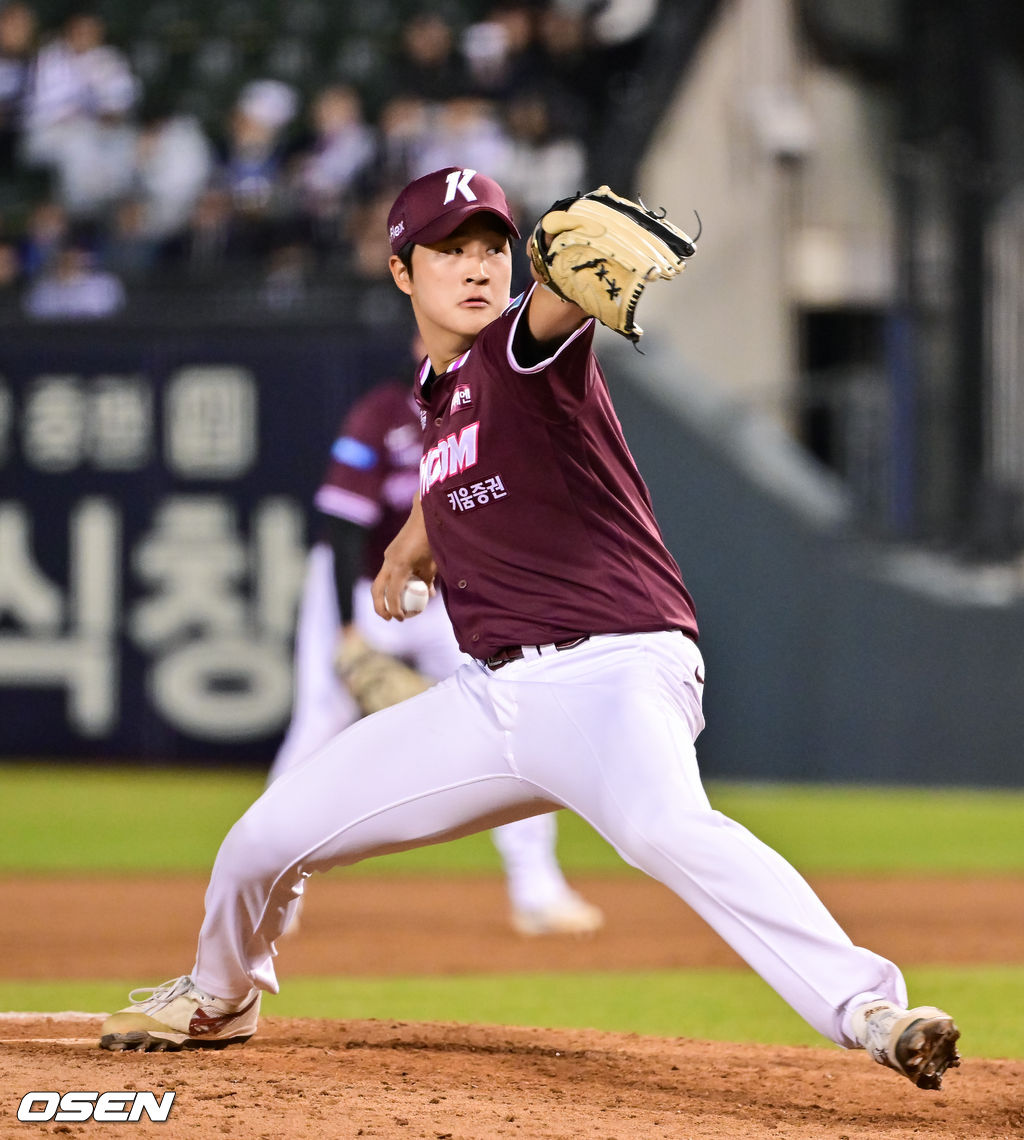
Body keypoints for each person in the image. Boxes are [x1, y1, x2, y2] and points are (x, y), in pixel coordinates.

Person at [98, 167, 961, 1092]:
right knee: (262, 840)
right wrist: (410, 544)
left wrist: (558, 289)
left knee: (666, 829)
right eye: (450, 250)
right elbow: (461, 459)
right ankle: (220, 996)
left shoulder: (521, 346)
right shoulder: (437, 392)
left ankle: (872, 1011)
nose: (477, 267)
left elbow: (548, 315)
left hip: (612, 671)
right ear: (402, 272)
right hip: (489, 701)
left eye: (492, 248)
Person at [269, 347, 604, 935]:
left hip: (442, 593)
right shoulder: (380, 415)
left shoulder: (492, 414)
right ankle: (268, 888)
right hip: (359, 583)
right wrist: (347, 634)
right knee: (320, 723)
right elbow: (343, 524)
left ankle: (538, 890)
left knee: (509, 718)